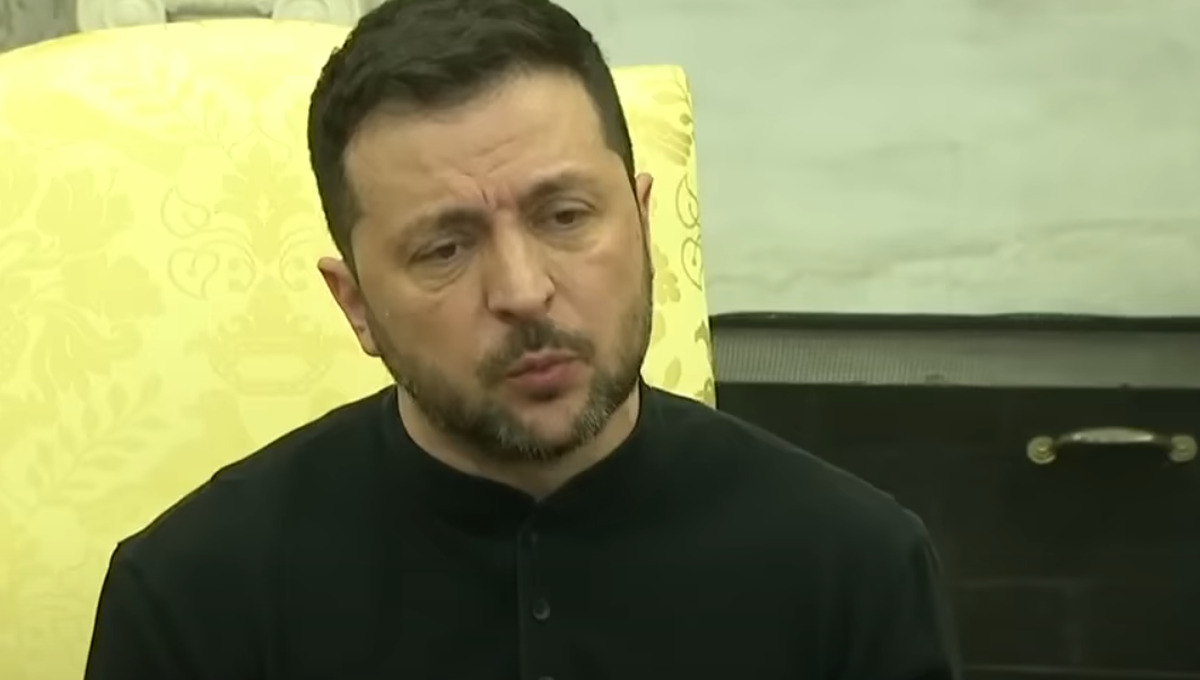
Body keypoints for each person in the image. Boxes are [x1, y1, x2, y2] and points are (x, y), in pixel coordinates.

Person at [82, 0, 962, 678]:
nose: (523, 290)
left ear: (643, 223)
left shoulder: (855, 570)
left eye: (565, 216)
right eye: (445, 248)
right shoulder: (192, 598)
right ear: (355, 305)